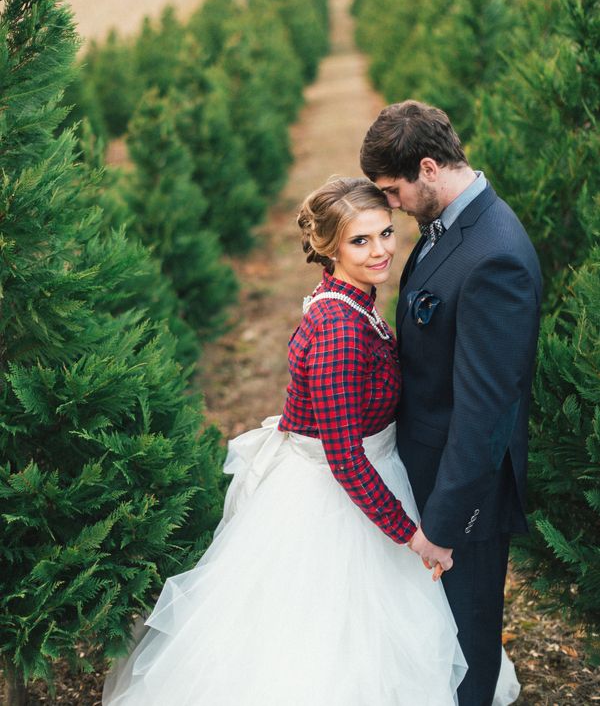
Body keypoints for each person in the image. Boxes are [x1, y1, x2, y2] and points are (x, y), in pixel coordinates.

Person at [104, 177, 478, 706]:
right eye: (360, 241)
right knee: (323, 647)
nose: (381, 251)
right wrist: (413, 536)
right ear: (328, 248)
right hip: (334, 500)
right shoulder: (337, 330)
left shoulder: (352, 300)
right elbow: (344, 458)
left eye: (386, 233)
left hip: (367, 476)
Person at [360, 101, 542, 706]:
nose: (390, 205)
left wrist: (443, 528)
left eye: (392, 191)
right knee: (434, 643)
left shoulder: (496, 257)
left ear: (429, 168)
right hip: (428, 474)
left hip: (462, 499)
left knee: (466, 652)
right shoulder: (451, 226)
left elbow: (486, 413)